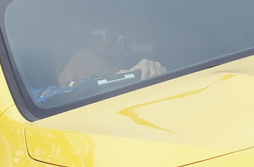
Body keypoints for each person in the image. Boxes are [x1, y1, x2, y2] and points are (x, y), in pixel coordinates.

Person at [33, 28, 166, 107]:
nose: (121, 51)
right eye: (110, 37)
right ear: (74, 43)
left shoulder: (121, 99)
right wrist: (110, 82)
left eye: (126, 45)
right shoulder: (29, 101)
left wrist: (149, 75)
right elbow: (41, 100)